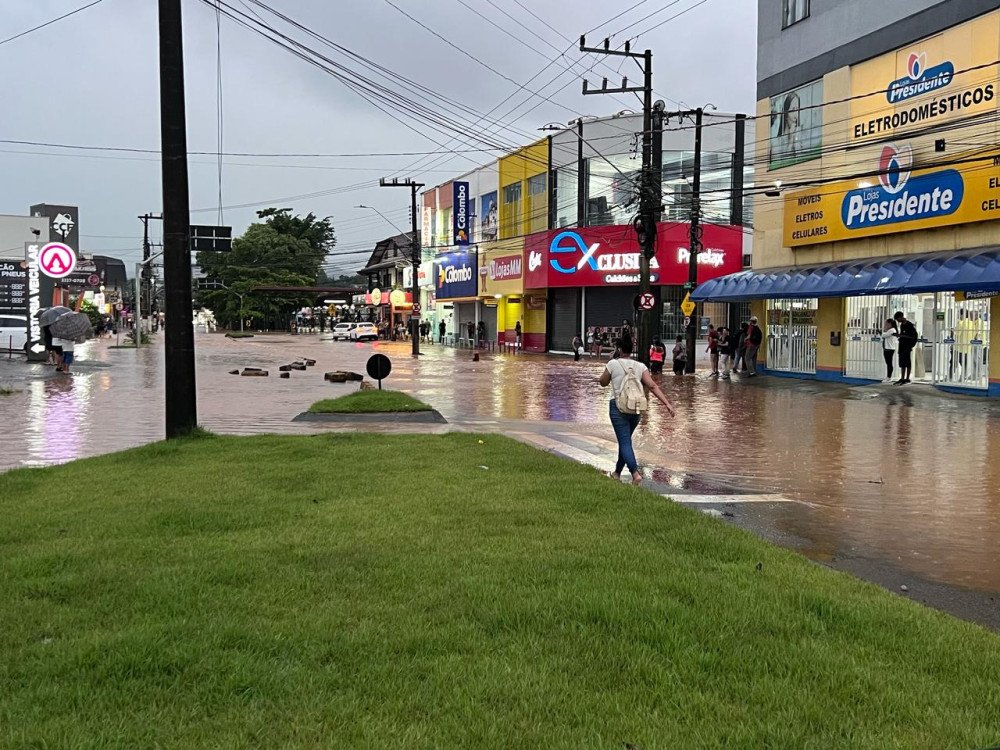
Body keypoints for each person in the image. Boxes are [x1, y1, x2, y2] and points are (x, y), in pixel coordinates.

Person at [599, 335, 675, 486]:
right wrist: (667, 404)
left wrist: (611, 368)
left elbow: (602, 382)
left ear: (619, 349)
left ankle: (635, 474)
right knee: (625, 440)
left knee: (625, 441)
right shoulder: (641, 366)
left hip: (618, 407)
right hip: (636, 409)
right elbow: (653, 386)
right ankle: (617, 473)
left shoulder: (613, 364)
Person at [894, 311, 918, 385]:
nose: (898, 321)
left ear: (901, 317)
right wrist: (899, 336)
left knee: (907, 362)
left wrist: (901, 336)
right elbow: (902, 334)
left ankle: (907, 378)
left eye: (898, 319)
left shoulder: (909, 325)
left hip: (907, 346)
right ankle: (902, 378)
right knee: (902, 362)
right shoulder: (902, 325)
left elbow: (911, 336)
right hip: (902, 345)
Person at [881, 318, 898, 382]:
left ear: (890, 324)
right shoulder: (890, 330)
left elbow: (883, 335)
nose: (885, 325)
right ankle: (888, 376)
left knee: (889, 363)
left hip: (889, 349)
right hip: (887, 348)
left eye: (886, 323)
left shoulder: (892, 330)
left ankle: (889, 377)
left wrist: (884, 330)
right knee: (888, 363)